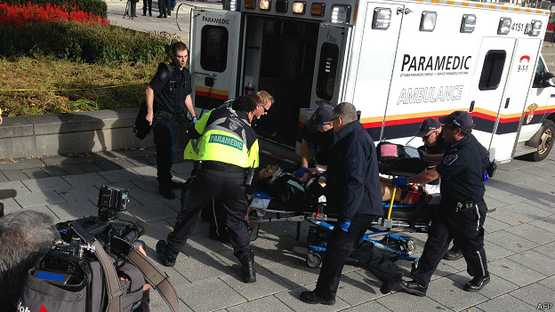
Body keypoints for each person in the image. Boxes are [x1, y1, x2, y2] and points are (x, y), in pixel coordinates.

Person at [156, 96, 260, 283]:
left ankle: (169, 254)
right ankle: (249, 267)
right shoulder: (250, 133)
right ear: (251, 113)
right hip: (235, 178)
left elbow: (194, 131)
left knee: (190, 212)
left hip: (209, 172)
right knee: (236, 221)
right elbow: (253, 167)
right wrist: (246, 194)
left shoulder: (215, 113)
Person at [399, 111, 491, 297]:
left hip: (468, 209)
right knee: (435, 243)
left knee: (471, 246)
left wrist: (407, 181)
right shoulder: (462, 141)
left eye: (446, 127)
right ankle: (420, 282)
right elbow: (483, 159)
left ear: (457, 130)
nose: (442, 130)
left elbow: (431, 175)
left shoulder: (463, 152)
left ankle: (481, 275)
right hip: (449, 204)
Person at [299, 102, 383, 305]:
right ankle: (392, 276)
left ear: (339, 120)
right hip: (360, 206)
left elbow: (355, 181)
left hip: (358, 208)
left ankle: (324, 294)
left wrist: (346, 217)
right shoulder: (352, 136)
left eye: (333, 122)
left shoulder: (354, 140)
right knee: (349, 249)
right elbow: (345, 171)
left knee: (336, 252)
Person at [145, 42, 196, 200]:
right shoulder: (166, 71)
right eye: (180, 57)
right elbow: (150, 90)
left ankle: (168, 179)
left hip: (178, 117)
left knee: (175, 151)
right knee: (165, 152)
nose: (183, 60)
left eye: (185, 56)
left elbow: (186, 96)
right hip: (163, 117)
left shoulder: (186, 74)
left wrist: (194, 116)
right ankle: (164, 185)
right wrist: (150, 113)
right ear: (173, 57)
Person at [407, 118, 463, 261]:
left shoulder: (448, 142)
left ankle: (459, 246)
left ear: (437, 132)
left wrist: (413, 180)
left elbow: (434, 172)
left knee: (459, 224)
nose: (424, 141)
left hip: (459, 187)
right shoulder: (435, 141)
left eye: (426, 137)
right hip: (445, 182)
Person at [297, 103, 335, 169]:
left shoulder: (338, 135)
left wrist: (323, 169)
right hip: (316, 160)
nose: (317, 128)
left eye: (320, 126)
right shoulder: (310, 125)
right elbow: (305, 143)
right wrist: (304, 166)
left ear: (330, 124)